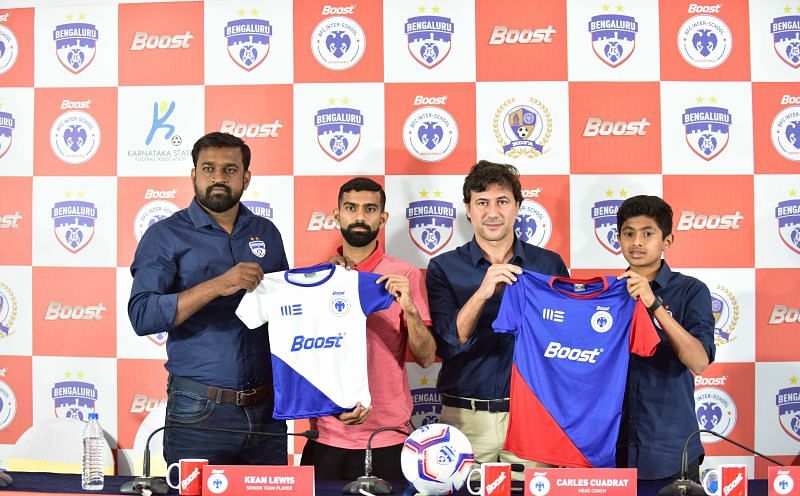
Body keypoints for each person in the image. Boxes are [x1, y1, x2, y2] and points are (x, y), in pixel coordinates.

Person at [128, 132, 289, 466]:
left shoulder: (267, 232)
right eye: (208, 168)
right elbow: (142, 315)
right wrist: (217, 285)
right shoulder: (165, 235)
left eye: (230, 170)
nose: (218, 177)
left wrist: (330, 281)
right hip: (199, 411)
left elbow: (287, 312)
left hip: (267, 409)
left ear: (246, 177)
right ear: (193, 175)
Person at [426, 161, 568, 468]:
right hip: (466, 420)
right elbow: (448, 343)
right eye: (482, 202)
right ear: (468, 209)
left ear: (518, 206)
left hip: (533, 417)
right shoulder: (443, 267)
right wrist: (482, 292)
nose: (492, 212)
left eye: (502, 201)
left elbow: (564, 341)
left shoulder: (548, 265)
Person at [301, 177, 436, 480]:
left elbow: (427, 357)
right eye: (351, 208)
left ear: (383, 218)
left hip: (388, 437)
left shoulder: (406, 274)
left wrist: (410, 309)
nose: (360, 217)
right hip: (327, 436)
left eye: (370, 209)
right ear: (336, 216)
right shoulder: (314, 279)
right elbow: (303, 359)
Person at [614, 195, 715, 482]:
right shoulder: (607, 294)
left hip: (671, 450)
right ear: (618, 239)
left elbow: (698, 361)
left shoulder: (691, 291)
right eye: (629, 234)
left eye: (648, 234)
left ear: (667, 241)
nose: (637, 242)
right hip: (611, 446)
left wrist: (654, 305)